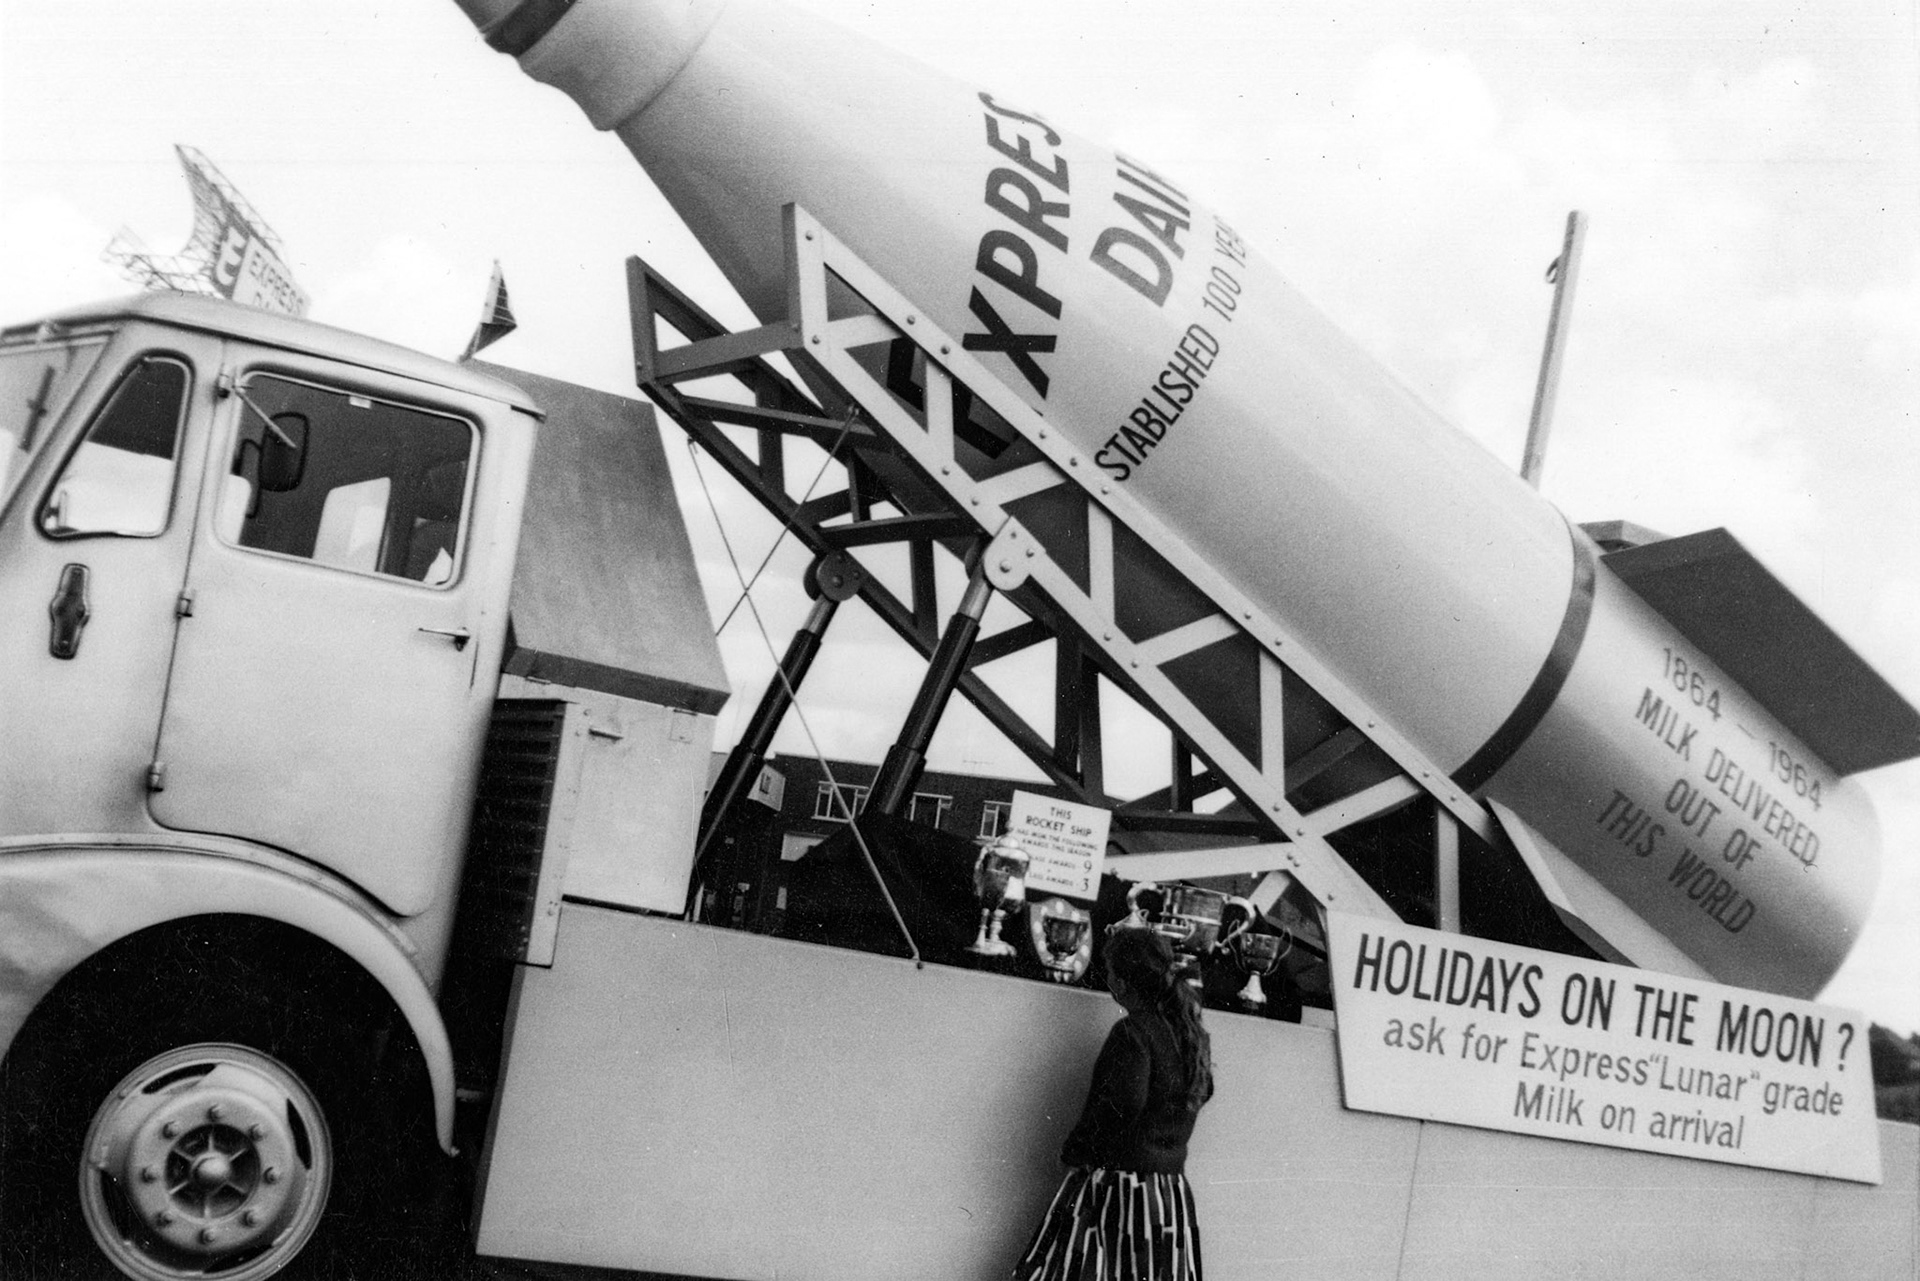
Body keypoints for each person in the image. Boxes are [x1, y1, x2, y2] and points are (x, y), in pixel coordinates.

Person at [1011, 926, 1214, 1280]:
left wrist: (1076, 1150)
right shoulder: (1189, 1034)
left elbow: (1122, 1104)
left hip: (1121, 1191)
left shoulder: (1132, 1032)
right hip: (1169, 1195)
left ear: (1120, 981)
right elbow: (1203, 1091)